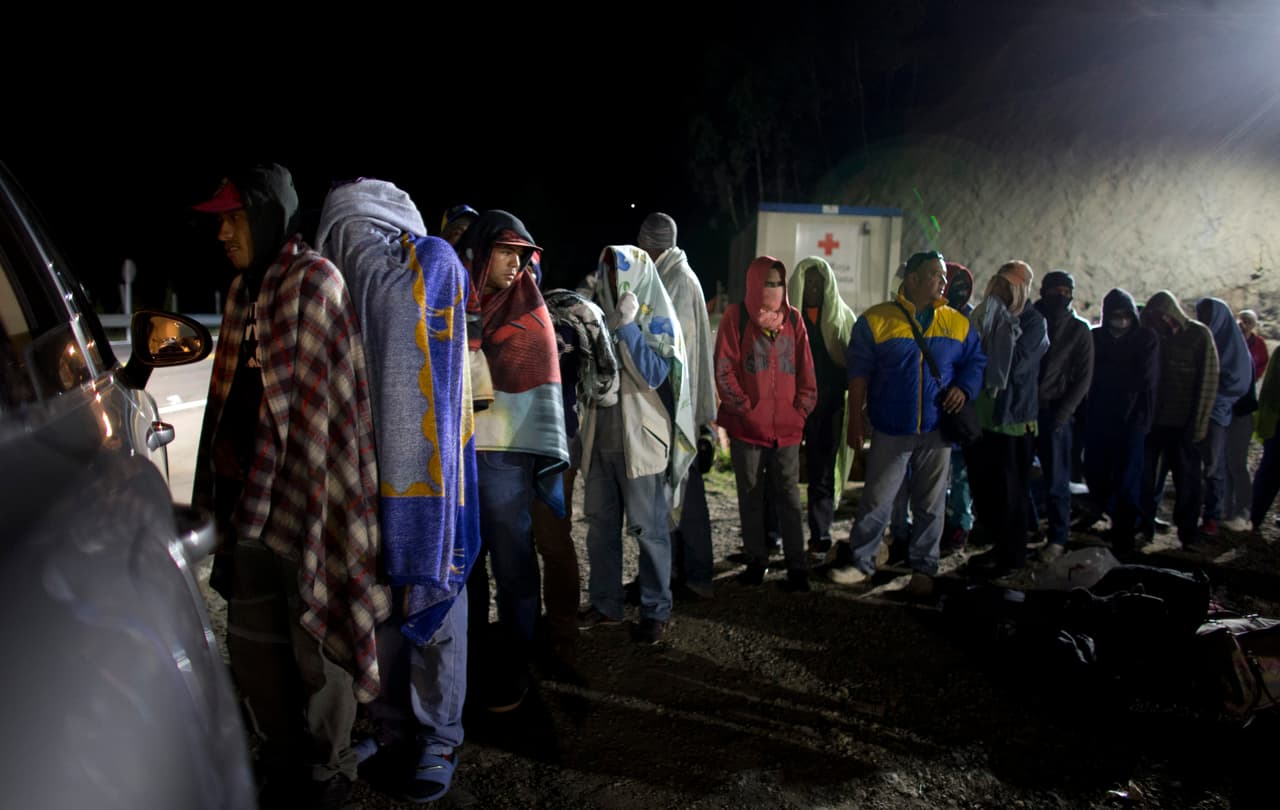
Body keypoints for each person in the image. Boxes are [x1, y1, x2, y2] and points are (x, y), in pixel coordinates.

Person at [191, 164, 386, 808]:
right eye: (221, 219)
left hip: (307, 498)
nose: (222, 232)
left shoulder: (315, 283)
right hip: (247, 501)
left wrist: (307, 495)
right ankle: (280, 754)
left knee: (316, 641)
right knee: (253, 648)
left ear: (268, 214)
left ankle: (329, 766)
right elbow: (229, 403)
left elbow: (330, 418)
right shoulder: (241, 293)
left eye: (233, 217)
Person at [316, 178, 477, 803]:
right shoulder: (329, 280)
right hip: (362, 463)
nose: (354, 249)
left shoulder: (433, 262)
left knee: (435, 598)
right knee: (378, 598)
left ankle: (440, 734)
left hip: (431, 481)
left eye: (362, 235)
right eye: (344, 238)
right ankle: (389, 727)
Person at [457, 211, 569, 712]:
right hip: (461, 453)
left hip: (505, 454)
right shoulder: (456, 301)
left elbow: (536, 373)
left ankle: (517, 662)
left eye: (521, 255)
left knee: (513, 562)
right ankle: (473, 658)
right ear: (482, 253)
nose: (514, 264)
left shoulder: (528, 307)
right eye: (505, 252)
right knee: (468, 566)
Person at [828, 250, 985, 596]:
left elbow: (975, 361)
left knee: (931, 504)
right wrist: (856, 420)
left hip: (936, 430)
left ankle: (924, 570)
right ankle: (862, 562)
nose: (944, 282)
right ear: (911, 278)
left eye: (944, 276)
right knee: (877, 499)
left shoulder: (958, 323)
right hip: (891, 429)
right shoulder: (876, 320)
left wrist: (964, 387)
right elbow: (858, 375)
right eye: (935, 274)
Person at [578, 245, 692, 643]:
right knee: (600, 529)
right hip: (601, 441)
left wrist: (627, 327)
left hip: (641, 441)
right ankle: (606, 604)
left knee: (649, 530)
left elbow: (656, 374)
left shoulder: (657, 319)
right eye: (607, 271)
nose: (612, 280)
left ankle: (656, 610)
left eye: (618, 271)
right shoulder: (597, 315)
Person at [715, 256, 818, 591]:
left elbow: (806, 372)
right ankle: (756, 561)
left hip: (786, 430)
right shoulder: (737, 316)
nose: (773, 290)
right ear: (753, 283)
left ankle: (797, 567)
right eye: (767, 283)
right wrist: (745, 408)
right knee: (751, 495)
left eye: (778, 283)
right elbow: (725, 368)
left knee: (788, 497)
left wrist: (800, 410)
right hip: (748, 429)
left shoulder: (794, 320)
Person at [638, 212, 718, 599]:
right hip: (670, 404)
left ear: (653, 247)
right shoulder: (668, 276)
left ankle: (696, 576)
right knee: (675, 491)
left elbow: (678, 352)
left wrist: (677, 411)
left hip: (675, 404)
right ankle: (676, 573)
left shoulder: (679, 282)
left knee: (684, 490)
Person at [965, 261, 1049, 577]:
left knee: (1011, 492)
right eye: (999, 285)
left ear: (1022, 288)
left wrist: (991, 344)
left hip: (1013, 421)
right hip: (984, 420)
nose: (1001, 292)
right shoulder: (987, 318)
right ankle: (997, 547)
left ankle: (1011, 557)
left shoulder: (1032, 322)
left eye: (1009, 286)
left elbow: (1017, 366)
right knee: (986, 489)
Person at [1081, 289, 1160, 554]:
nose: (1120, 320)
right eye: (1115, 315)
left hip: (1132, 422)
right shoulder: (1096, 337)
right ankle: (1112, 514)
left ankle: (1124, 538)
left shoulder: (1145, 339)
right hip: (1100, 418)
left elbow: (1143, 379)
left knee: (1127, 479)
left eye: (1125, 315)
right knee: (1095, 472)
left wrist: (1114, 382)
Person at [1139, 290, 1219, 551]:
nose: (1158, 321)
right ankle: (1144, 527)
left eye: (1161, 316)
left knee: (1188, 482)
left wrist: (1199, 424)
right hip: (1152, 424)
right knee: (1146, 479)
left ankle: (1188, 534)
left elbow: (1208, 380)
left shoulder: (1198, 336)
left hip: (1183, 424)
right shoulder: (1151, 335)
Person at [787, 255, 857, 557]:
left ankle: (820, 533)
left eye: (819, 281)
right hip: (790, 407)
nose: (814, 286)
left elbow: (854, 365)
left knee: (822, 473)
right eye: (809, 280)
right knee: (781, 473)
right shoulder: (787, 319)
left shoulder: (843, 319)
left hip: (828, 408)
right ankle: (777, 533)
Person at [1031, 270, 1094, 562]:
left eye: (1066, 291)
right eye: (1055, 290)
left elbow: (1083, 378)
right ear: (1043, 292)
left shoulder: (1079, 330)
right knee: (1020, 477)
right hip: (1025, 411)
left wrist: (1063, 414)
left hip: (1056, 413)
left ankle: (1057, 538)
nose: (1061, 296)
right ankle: (1028, 529)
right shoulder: (1028, 320)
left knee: (1057, 481)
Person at [1194, 297, 1252, 537]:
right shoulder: (1201, 340)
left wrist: (1209, 387)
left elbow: (1238, 383)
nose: (1204, 321)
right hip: (1196, 411)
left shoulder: (1236, 349)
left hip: (1219, 414)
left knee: (1214, 465)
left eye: (1209, 316)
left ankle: (1213, 515)